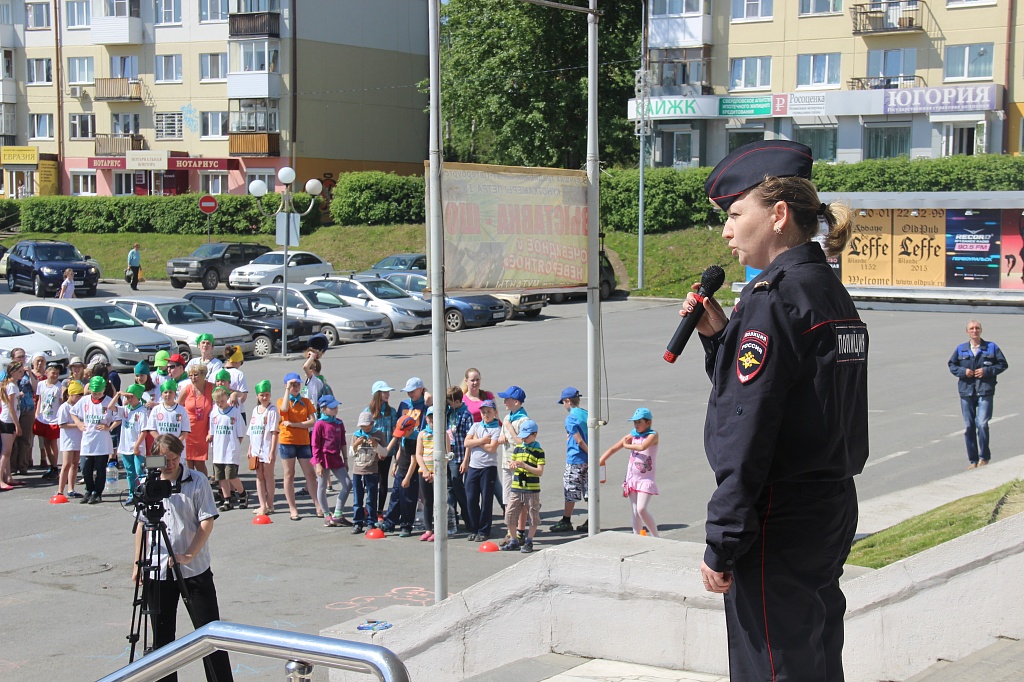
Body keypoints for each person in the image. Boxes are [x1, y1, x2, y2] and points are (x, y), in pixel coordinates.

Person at [683, 139, 869, 681]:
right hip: (828, 506)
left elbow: (748, 427)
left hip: (778, 518)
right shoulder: (825, 288)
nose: (726, 231)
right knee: (814, 660)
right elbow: (795, 395)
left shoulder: (773, 297)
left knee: (772, 668)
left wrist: (722, 541)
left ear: (779, 214)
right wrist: (722, 338)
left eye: (735, 214)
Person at [130, 433, 234, 682]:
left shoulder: (196, 480)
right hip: (158, 570)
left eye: (173, 459)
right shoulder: (146, 482)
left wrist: (188, 555)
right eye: (163, 460)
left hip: (194, 570)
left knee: (209, 635)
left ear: (180, 455)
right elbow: (142, 525)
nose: (168, 465)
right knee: (162, 642)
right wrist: (137, 564)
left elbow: (207, 521)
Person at [948, 320, 1008, 469]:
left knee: (981, 424)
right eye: (971, 328)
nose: (974, 330)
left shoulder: (991, 347)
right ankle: (973, 461)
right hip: (966, 392)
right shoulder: (961, 349)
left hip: (985, 391)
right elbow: (952, 365)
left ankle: (984, 457)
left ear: (981, 330)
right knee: (969, 426)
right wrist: (963, 372)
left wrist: (987, 371)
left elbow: (1003, 364)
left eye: (977, 328)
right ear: (967, 331)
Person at [599, 408, 660, 537]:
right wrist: (601, 460)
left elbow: (642, 447)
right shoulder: (632, 435)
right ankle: (637, 537)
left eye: (639, 422)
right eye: (635, 422)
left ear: (648, 422)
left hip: (645, 479)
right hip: (632, 479)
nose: (636, 425)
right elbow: (614, 448)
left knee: (641, 509)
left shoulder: (653, 435)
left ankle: (656, 536)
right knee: (635, 511)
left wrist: (626, 446)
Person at [70, 376, 118, 504]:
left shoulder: (109, 402)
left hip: (102, 440)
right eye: (94, 393)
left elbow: (119, 417)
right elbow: (73, 412)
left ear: (103, 390)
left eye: (99, 393)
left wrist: (109, 427)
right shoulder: (85, 400)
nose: (96, 395)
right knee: (85, 467)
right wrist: (78, 423)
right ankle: (89, 490)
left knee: (100, 468)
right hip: (87, 439)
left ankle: (97, 492)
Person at [277, 372, 319, 521]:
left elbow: (312, 421)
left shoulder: (306, 402)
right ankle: (292, 508)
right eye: (292, 385)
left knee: (310, 474)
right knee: (289, 474)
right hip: (287, 441)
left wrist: (295, 424)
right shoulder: (282, 400)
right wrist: (287, 390)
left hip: (303, 441)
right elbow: (284, 410)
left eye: (297, 385)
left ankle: (317, 504)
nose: (295, 387)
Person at [500, 419, 544, 554]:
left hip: (531, 489)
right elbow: (513, 464)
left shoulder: (538, 451)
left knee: (533, 515)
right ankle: (514, 540)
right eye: (522, 437)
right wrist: (513, 464)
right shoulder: (518, 449)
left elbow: (540, 471)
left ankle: (529, 541)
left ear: (534, 434)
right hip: (517, 487)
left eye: (526, 436)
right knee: (510, 514)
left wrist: (525, 466)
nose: (524, 439)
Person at [551, 387, 589, 533]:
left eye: (564, 402)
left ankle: (566, 520)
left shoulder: (571, 418)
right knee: (588, 489)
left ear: (568, 401)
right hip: (588, 460)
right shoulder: (586, 414)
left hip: (576, 458)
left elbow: (578, 440)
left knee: (570, 488)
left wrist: (589, 452)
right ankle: (591, 519)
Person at [463, 399, 502, 542]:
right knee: (471, 499)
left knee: (486, 500)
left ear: (495, 412)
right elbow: (467, 443)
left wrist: (477, 442)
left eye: (489, 411)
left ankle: (484, 530)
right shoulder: (476, 426)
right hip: (474, 467)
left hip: (488, 468)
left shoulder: (496, 429)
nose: (485, 414)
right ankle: (474, 528)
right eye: (483, 412)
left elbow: (492, 448)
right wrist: (481, 441)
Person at [311, 395, 352, 527]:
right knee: (322, 486)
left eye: (336, 406)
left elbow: (343, 442)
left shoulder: (339, 423)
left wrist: (345, 460)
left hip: (336, 458)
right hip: (323, 459)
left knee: (347, 484)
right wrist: (318, 464)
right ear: (323, 409)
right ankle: (326, 514)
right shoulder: (319, 424)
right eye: (332, 407)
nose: (335, 409)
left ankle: (338, 513)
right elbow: (315, 445)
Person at [496, 385, 529, 536]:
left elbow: (523, 443)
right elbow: (502, 434)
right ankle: (511, 530)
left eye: (507, 399)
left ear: (516, 402)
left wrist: (509, 429)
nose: (504, 402)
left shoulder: (524, 421)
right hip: (506, 463)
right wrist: (501, 436)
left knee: (519, 498)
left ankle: (520, 530)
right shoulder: (507, 418)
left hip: (519, 465)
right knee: (507, 497)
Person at [207, 386, 247, 511]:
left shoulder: (234, 412)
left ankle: (243, 494)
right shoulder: (214, 413)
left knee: (231, 476)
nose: (220, 404)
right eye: (217, 402)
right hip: (218, 451)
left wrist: (235, 445)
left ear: (227, 399)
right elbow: (212, 431)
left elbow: (240, 432)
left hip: (230, 450)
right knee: (221, 477)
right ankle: (227, 499)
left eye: (222, 401)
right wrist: (210, 436)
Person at [366, 381, 399, 520]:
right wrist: (377, 450)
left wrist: (386, 450)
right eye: (384, 392)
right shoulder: (368, 411)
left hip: (387, 452)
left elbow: (395, 433)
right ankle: (369, 508)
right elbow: (365, 432)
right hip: (372, 453)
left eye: (388, 392)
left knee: (383, 480)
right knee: (370, 481)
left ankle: (379, 511)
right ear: (377, 394)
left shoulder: (392, 412)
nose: (387, 394)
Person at [350, 410, 385, 534]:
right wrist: (356, 445)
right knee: (357, 499)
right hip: (358, 471)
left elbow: (384, 453)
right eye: (362, 426)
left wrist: (375, 444)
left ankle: (371, 522)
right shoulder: (356, 435)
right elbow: (351, 454)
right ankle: (357, 523)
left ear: (372, 423)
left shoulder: (378, 434)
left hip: (371, 471)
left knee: (371, 498)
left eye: (367, 426)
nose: (365, 429)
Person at [247, 380, 279, 515]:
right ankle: (262, 505)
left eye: (267, 394)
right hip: (256, 450)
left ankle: (269, 503)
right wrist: (250, 448)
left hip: (267, 448)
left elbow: (274, 432)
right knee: (259, 476)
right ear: (257, 396)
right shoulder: (255, 410)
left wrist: (272, 451)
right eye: (262, 395)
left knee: (268, 476)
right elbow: (252, 431)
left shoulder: (272, 411)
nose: (264, 397)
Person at [113, 384, 149, 502]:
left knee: (140, 471)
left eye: (132, 396)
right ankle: (132, 494)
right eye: (127, 397)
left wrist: (137, 446)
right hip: (125, 447)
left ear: (138, 397)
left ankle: (143, 493)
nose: (129, 399)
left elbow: (144, 431)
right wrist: (118, 394)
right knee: (130, 472)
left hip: (137, 448)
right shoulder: (125, 409)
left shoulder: (142, 411)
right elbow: (110, 407)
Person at [445, 386, 474, 536]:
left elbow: (469, 438)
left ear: (457, 401)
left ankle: (468, 518)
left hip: (460, 456)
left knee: (458, 487)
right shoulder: (449, 412)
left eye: (450, 402)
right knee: (449, 488)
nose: (448, 405)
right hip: (448, 454)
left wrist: (466, 460)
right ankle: (452, 519)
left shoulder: (466, 415)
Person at [178, 364, 214, 477]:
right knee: (188, 461)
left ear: (203, 375)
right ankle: (191, 485)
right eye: (190, 375)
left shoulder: (211, 387)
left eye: (196, 375)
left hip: (202, 431)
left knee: (200, 462)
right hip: (188, 430)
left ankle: (203, 484)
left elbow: (226, 393)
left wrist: (233, 395)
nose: (193, 378)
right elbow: (177, 408)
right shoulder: (186, 390)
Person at [145, 380, 191, 460]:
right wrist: (162, 442)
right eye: (165, 392)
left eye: (170, 392)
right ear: (162, 394)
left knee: (177, 466)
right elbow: (152, 429)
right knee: (162, 466)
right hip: (161, 448)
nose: (168, 394)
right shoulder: (156, 409)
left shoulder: (181, 410)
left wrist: (175, 443)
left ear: (175, 394)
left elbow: (185, 431)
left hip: (177, 448)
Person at [33, 360, 62, 479]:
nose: (55, 375)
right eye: (53, 373)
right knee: (45, 443)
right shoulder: (41, 384)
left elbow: (61, 402)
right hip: (43, 417)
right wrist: (37, 412)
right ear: (47, 373)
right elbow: (40, 399)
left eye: (57, 373)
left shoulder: (59, 386)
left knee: (53, 442)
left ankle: (55, 466)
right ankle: (52, 466)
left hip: (54, 419)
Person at [56, 380, 85, 498]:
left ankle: (71, 489)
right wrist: (78, 424)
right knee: (66, 464)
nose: (79, 398)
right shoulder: (64, 407)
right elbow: (62, 424)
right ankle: (60, 490)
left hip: (78, 438)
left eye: (81, 395)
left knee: (75, 463)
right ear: (70, 395)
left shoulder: (79, 407)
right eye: (77, 395)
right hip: (68, 439)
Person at [0, 361, 26, 490]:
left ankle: (8, 477)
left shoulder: (13, 385)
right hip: (7, 421)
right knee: (6, 452)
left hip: (9, 421)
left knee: (8, 452)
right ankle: (0, 480)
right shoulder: (11, 386)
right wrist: (17, 425)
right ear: (12, 372)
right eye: (19, 371)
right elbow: (10, 407)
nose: (22, 373)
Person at [414, 406, 438, 541]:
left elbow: (446, 455)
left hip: (438, 473)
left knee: (439, 502)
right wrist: (425, 470)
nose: (432, 420)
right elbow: (418, 454)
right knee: (427, 500)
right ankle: (428, 529)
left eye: (435, 417)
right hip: (424, 472)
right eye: (430, 417)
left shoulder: (443, 434)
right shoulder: (422, 434)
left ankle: (439, 528)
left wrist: (436, 473)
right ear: (426, 419)